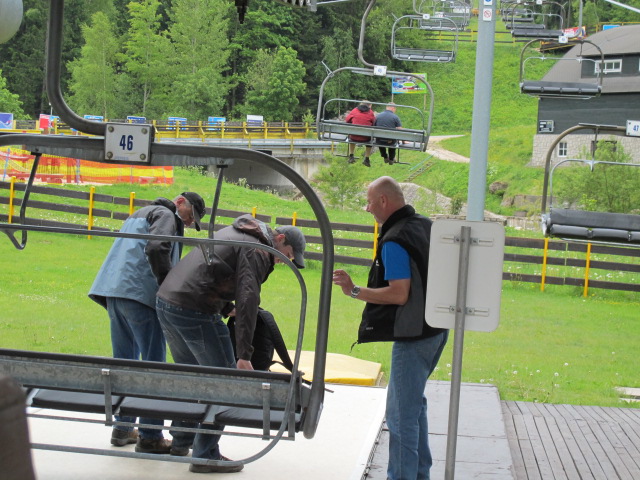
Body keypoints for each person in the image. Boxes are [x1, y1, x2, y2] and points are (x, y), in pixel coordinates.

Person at [155, 214, 306, 474]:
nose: (286, 260)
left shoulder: (241, 234)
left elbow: (210, 272)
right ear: (279, 239)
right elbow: (248, 298)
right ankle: (205, 456)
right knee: (226, 383)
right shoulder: (258, 250)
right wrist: (244, 354)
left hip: (168, 302)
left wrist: (225, 307)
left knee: (192, 376)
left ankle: (181, 441)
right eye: (288, 254)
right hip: (194, 310)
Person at [332, 176, 448, 480]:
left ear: (383, 200)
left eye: (369, 202)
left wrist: (354, 290)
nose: (367, 208)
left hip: (414, 336)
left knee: (400, 415)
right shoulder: (425, 225)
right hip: (437, 330)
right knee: (414, 406)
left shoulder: (395, 239)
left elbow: (399, 294)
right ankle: (419, 474)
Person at [89, 192, 206, 454]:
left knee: (125, 363)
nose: (189, 223)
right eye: (190, 216)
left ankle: (122, 429)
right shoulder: (165, 215)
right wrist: (166, 284)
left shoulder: (138, 214)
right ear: (180, 203)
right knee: (153, 368)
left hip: (115, 292)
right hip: (141, 296)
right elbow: (156, 248)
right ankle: (150, 436)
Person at [345, 100, 376, 167]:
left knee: (352, 136)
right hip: (366, 138)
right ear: (369, 106)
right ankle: (367, 158)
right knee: (370, 139)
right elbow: (374, 123)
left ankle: (351, 156)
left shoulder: (354, 110)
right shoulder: (370, 113)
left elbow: (347, 120)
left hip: (354, 137)